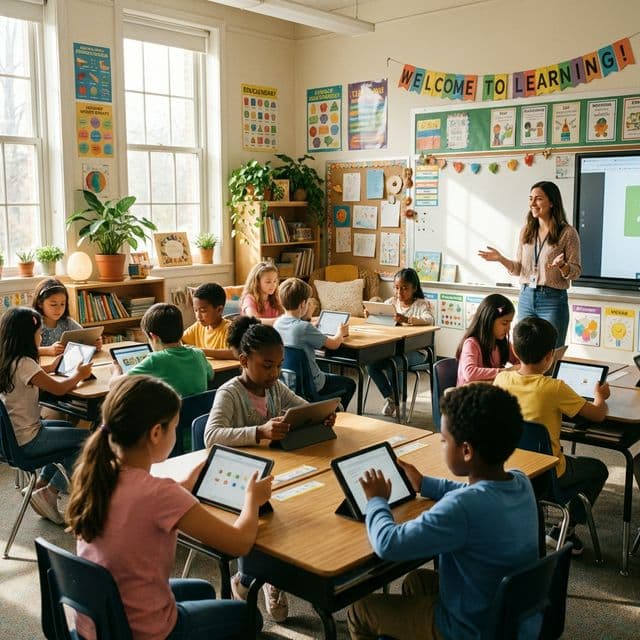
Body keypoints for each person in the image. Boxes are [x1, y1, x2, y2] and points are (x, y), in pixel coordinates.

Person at [66, 375, 272, 640]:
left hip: (96, 623)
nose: (175, 433)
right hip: (144, 632)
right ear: (155, 433)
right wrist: (252, 500)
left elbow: (146, 506)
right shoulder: (161, 493)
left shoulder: (98, 473)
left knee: (202, 590)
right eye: (174, 427)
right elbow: (239, 544)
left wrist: (185, 484)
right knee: (249, 618)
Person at [347, 384, 539, 640]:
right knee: (416, 581)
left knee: (360, 611)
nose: (441, 444)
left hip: (469, 630)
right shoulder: (520, 481)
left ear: (467, 450)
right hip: (507, 613)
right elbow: (476, 491)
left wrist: (376, 501)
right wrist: (425, 483)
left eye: (443, 440)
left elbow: (387, 544)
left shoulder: (462, 507)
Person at [203, 321, 332, 623]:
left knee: (310, 503)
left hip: (271, 472)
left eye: (279, 365)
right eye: (267, 365)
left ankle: (278, 574)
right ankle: (253, 578)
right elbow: (211, 436)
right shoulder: (230, 392)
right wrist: (258, 431)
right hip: (236, 480)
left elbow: (302, 407)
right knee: (275, 515)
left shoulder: (275, 387)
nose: (274, 373)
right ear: (244, 361)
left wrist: (322, 416)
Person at [494, 316, 609, 554]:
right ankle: (563, 530)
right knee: (598, 469)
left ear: (514, 350)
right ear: (550, 357)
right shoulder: (555, 388)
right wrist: (600, 396)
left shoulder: (501, 378)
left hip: (506, 468)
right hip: (547, 476)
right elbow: (597, 414)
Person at [0, 307, 92, 524]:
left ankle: (41, 487)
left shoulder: (8, 360)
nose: (41, 338)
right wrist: (79, 374)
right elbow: (59, 390)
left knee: (74, 433)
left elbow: (34, 377)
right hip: (28, 440)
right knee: (87, 441)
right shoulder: (25, 363)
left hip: (10, 440)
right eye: (39, 334)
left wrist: (51, 367)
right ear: (26, 336)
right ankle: (52, 492)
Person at [478, 181, 581, 347]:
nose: (532, 203)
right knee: (524, 350)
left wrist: (562, 266)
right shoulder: (526, 230)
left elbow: (575, 272)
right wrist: (501, 259)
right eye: (530, 198)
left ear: (552, 202)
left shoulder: (567, 233)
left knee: (551, 350)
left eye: (538, 199)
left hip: (552, 300)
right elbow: (519, 269)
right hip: (526, 296)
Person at [274, 277, 356, 411]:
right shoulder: (304, 328)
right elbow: (334, 344)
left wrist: (311, 324)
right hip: (313, 385)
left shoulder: (278, 323)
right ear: (302, 304)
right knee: (349, 384)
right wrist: (340, 333)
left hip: (289, 382)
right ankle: (333, 413)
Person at [366, 268, 435, 417]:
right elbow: (381, 318)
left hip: (417, 352)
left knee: (395, 364)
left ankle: (400, 398)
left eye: (404, 288)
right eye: (397, 288)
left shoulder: (422, 305)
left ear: (414, 288)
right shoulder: (391, 302)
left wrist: (405, 319)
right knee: (370, 365)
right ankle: (391, 397)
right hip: (392, 349)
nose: (399, 293)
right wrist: (371, 314)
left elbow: (429, 320)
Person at [113, 303, 213, 398]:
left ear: (154, 337)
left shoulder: (155, 360)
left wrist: (116, 370)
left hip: (172, 415)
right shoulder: (198, 353)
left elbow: (115, 385)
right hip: (200, 415)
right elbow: (210, 375)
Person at [456, 293, 519, 385]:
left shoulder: (502, 343)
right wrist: (506, 371)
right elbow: (470, 373)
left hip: (488, 391)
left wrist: (521, 365)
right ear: (489, 320)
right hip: (469, 395)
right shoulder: (471, 343)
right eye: (504, 323)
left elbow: (520, 360)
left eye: (510, 323)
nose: (508, 328)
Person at [33, 278, 102, 356]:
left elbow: (84, 337)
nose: (59, 309)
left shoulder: (68, 322)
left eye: (62, 304)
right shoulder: (33, 323)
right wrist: (47, 350)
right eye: (53, 304)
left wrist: (94, 343)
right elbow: (20, 352)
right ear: (40, 303)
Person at [182, 282, 235, 359]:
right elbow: (179, 341)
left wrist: (201, 351)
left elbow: (236, 353)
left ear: (219, 310)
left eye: (203, 311)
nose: (198, 316)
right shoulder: (198, 326)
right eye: (195, 310)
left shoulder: (229, 329)